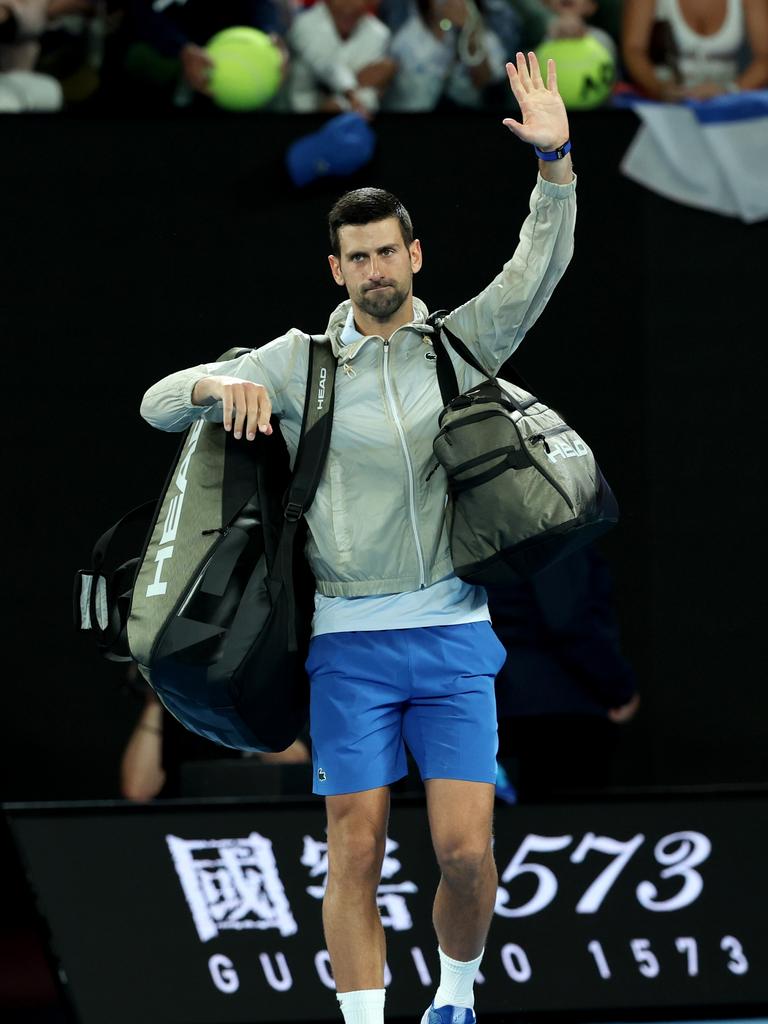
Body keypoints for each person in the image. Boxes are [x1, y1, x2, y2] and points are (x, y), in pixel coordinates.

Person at [140, 51, 574, 1024]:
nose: (377, 269)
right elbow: (158, 402)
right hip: (348, 640)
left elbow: (538, 267)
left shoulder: (463, 344)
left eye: (390, 251)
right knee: (355, 845)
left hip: (455, 635)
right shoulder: (297, 362)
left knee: (466, 854)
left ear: (415, 256)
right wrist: (220, 383)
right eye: (359, 257)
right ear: (337, 269)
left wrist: (556, 168)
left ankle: (455, 998)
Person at [489, 545, 640, 801]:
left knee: (513, 830)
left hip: (503, 703)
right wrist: (619, 690)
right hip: (562, 714)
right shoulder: (555, 530)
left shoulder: (492, 528)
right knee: (565, 826)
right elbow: (566, 618)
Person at [621, 0, 768, 101]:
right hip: (664, 106)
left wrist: (730, 91)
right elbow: (634, 50)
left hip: (727, 110)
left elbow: (765, 58)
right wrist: (659, 89)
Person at [382, 0, 507, 111]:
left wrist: (469, 32)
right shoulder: (408, 34)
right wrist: (439, 25)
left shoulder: (485, 36)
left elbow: (483, 82)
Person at [282, 0, 395, 114]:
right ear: (327, 2)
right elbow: (325, 64)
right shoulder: (303, 25)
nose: (349, 4)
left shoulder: (380, 35)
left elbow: (370, 93)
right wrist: (350, 92)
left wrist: (341, 104)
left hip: (354, 121)